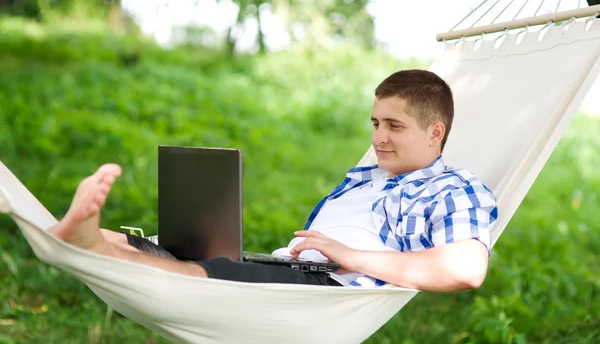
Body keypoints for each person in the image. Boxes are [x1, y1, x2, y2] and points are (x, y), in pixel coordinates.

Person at [49, 69, 498, 292]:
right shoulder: (367, 178)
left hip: (327, 289)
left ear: (435, 132)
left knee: (216, 274)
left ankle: (87, 247)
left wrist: (351, 256)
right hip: (290, 267)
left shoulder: (455, 189)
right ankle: (75, 237)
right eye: (375, 123)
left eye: (394, 127)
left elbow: (466, 269)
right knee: (168, 246)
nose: (378, 138)